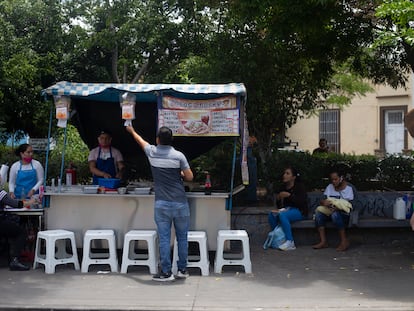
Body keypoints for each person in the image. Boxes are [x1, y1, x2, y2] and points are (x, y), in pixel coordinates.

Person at [126, 125, 193, 281]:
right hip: (180, 203)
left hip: (162, 204)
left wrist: (132, 130)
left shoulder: (152, 152)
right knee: (182, 238)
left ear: (157, 140)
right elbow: (189, 177)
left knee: (164, 238)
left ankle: (166, 272)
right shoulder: (179, 156)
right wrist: (180, 173)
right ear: (172, 140)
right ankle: (182, 270)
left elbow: (139, 140)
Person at [312, 169, 354, 251]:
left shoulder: (349, 189)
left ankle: (344, 241)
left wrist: (338, 207)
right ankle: (323, 241)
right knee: (318, 214)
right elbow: (322, 200)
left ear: (341, 178)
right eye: (332, 180)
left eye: (336, 179)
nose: (334, 182)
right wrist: (324, 202)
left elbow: (351, 205)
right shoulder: (329, 187)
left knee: (335, 215)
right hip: (329, 211)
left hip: (343, 214)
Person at [268, 166, 308, 251]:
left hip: (300, 211)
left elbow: (300, 202)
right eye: (284, 173)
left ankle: (290, 242)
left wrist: (289, 196)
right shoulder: (283, 187)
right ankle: (278, 237)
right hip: (287, 210)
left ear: (293, 177)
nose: (284, 175)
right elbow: (280, 206)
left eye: (287, 173)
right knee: (272, 214)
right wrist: (279, 199)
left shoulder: (299, 187)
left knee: (283, 215)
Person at [0, 189, 31, 271]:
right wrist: (30, 202)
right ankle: (15, 260)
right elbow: (15, 204)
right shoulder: (1, 193)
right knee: (21, 232)